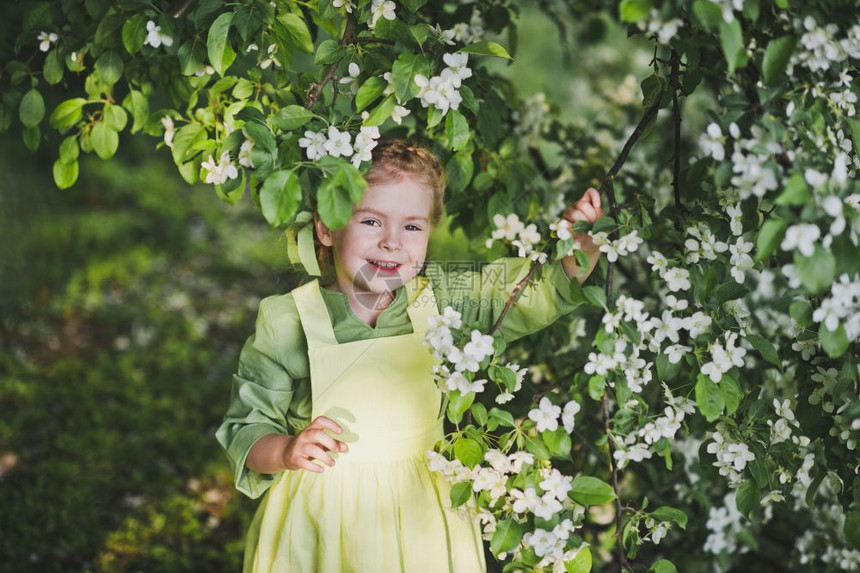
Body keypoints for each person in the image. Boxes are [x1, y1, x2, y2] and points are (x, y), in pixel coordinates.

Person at [216, 138, 604, 572]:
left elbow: (537, 290)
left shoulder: (444, 298)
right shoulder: (289, 319)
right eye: (370, 221)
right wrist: (287, 450)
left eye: (412, 227)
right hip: (323, 522)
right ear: (327, 226)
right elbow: (246, 429)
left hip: (424, 516)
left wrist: (578, 246)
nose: (391, 243)